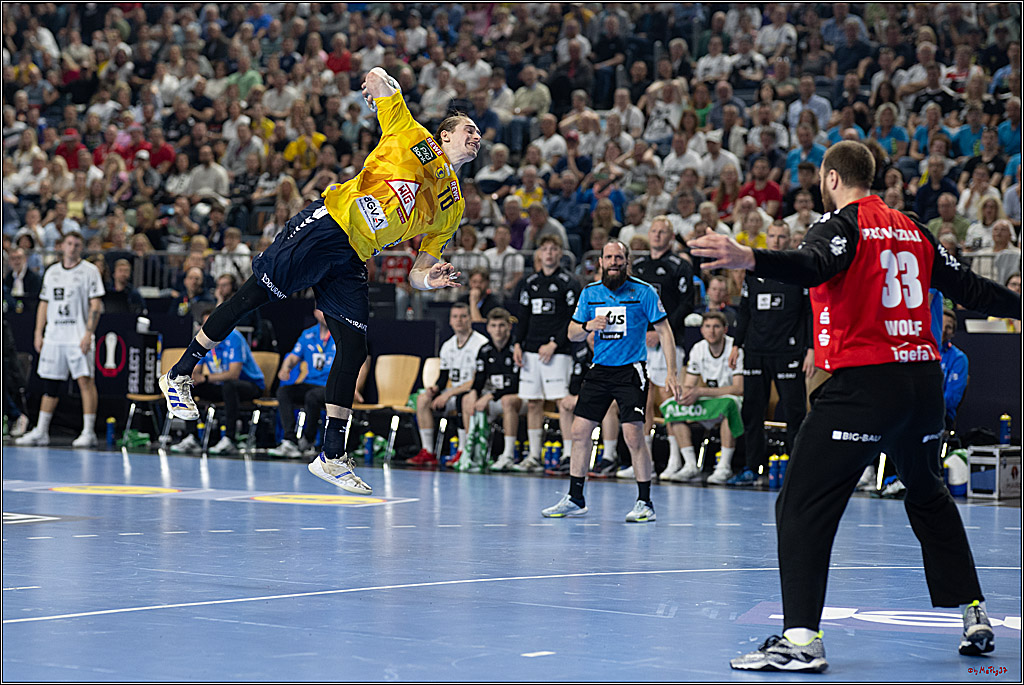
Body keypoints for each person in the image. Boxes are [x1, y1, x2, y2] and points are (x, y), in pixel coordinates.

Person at [690, 140, 1020, 672]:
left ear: (831, 178)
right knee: (927, 493)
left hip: (867, 386)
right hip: (923, 386)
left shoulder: (840, 224)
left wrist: (750, 257)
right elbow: (973, 289)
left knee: (799, 502)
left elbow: (812, 264)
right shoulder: (913, 229)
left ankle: (800, 640)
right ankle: (973, 612)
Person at [159, 68, 481, 495]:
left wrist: (429, 281)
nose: (477, 136)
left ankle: (331, 454)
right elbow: (375, 77)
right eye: (469, 129)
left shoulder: (452, 206)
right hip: (329, 226)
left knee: (354, 347)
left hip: (354, 256)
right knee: (250, 297)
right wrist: (379, 81)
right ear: (444, 136)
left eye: (479, 133)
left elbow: (418, 270)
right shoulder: (410, 133)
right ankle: (180, 374)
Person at [542, 240, 682, 523]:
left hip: (631, 371)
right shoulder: (590, 293)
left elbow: (665, 332)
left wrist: (671, 372)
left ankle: (645, 502)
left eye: (619, 257)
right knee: (580, 431)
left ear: (626, 261)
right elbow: (571, 333)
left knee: (633, 434)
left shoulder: (644, 292)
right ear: (602, 262)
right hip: (600, 370)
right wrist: (587, 326)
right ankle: (575, 498)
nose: (614, 262)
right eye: (609, 257)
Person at [725, 221, 813, 485]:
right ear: (767, 238)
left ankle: (796, 470)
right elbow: (745, 310)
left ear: (789, 240)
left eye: (781, 236)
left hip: (788, 352)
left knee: (794, 411)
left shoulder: (799, 270)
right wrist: (736, 344)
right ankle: (752, 467)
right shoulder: (754, 270)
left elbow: (809, 313)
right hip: (755, 351)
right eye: (772, 236)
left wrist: (810, 349)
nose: (776, 241)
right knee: (752, 411)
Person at [16, 232, 104, 448]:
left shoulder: (90, 271)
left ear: (81, 248)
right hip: (55, 335)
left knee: (85, 381)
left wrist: (88, 333)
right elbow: (44, 304)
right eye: (69, 243)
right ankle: (41, 431)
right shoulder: (52, 272)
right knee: (50, 383)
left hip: (78, 335)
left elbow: (96, 305)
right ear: (62, 246)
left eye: (77, 244)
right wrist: (39, 332)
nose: (72, 248)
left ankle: (88, 431)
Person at [628, 216, 694, 480]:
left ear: (671, 235)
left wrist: (660, 330)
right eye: (653, 231)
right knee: (642, 403)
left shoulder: (680, 265)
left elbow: (686, 304)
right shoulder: (640, 265)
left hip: (669, 341)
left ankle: (676, 462)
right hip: (641, 342)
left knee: (669, 401)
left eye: (662, 232)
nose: (656, 235)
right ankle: (646, 464)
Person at [512, 235, 581, 472]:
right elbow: (522, 317)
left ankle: (569, 455)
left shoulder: (568, 282)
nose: (549, 253)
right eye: (545, 249)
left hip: (558, 352)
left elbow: (574, 318)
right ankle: (533, 456)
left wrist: (555, 343)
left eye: (553, 249)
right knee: (533, 404)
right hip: (531, 351)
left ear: (560, 254)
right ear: (539, 253)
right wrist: (517, 343)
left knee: (563, 403)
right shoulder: (529, 282)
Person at [658, 311, 744, 484]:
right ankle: (689, 464)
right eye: (707, 327)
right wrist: (683, 394)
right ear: (702, 330)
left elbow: (738, 389)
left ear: (725, 329)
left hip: (731, 399)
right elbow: (690, 384)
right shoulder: (698, 348)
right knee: (673, 406)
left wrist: (700, 392)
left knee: (729, 404)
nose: (711, 331)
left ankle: (724, 467)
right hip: (709, 400)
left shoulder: (735, 349)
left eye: (716, 327)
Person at [169, 305, 266, 455]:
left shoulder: (234, 337)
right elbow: (195, 372)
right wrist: (193, 378)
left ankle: (229, 439)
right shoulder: (203, 341)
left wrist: (205, 378)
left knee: (229, 386)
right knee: (187, 386)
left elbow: (233, 374)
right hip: (221, 385)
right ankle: (191, 437)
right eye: (206, 326)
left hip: (251, 385)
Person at [409, 302, 488, 466]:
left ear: (470, 319)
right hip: (454, 392)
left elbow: (478, 380)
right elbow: (443, 377)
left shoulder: (481, 344)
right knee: (423, 399)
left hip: (476, 392)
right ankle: (428, 451)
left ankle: (463, 450)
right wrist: (436, 389)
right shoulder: (447, 346)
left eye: (463, 316)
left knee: (462, 399)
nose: (459, 320)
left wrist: (447, 394)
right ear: (450, 321)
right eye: (455, 317)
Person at [463, 308, 522, 471]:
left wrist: (490, 396)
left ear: (509, 327)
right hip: (494, 398)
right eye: (494, 326)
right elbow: (479, 379)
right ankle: (471, 452)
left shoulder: (517, 348)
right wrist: (474, 393)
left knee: (507, 401)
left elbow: (518, 383)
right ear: (488, 328)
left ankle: (508, 455)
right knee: (467, 399)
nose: (498, 330)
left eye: (502, 325)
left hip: (517, 398)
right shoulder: (484, 350)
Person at [269, 309, 334, 458]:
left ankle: (308, 439)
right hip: (310, 382)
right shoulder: (308, 334)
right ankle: (290, 440)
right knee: (284, 392)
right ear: (316, 313)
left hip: (330, 386)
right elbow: (293, 357)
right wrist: (286, 368)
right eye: (322, 311)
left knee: (312, 396)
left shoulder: (340, 335)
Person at [939, 309, 968, 430]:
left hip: (941, 416)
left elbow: (952, 398)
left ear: (953, 333)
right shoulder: (920, 352)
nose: (944, 331)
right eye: (940, 324)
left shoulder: (958, 358)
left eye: (949, 327)